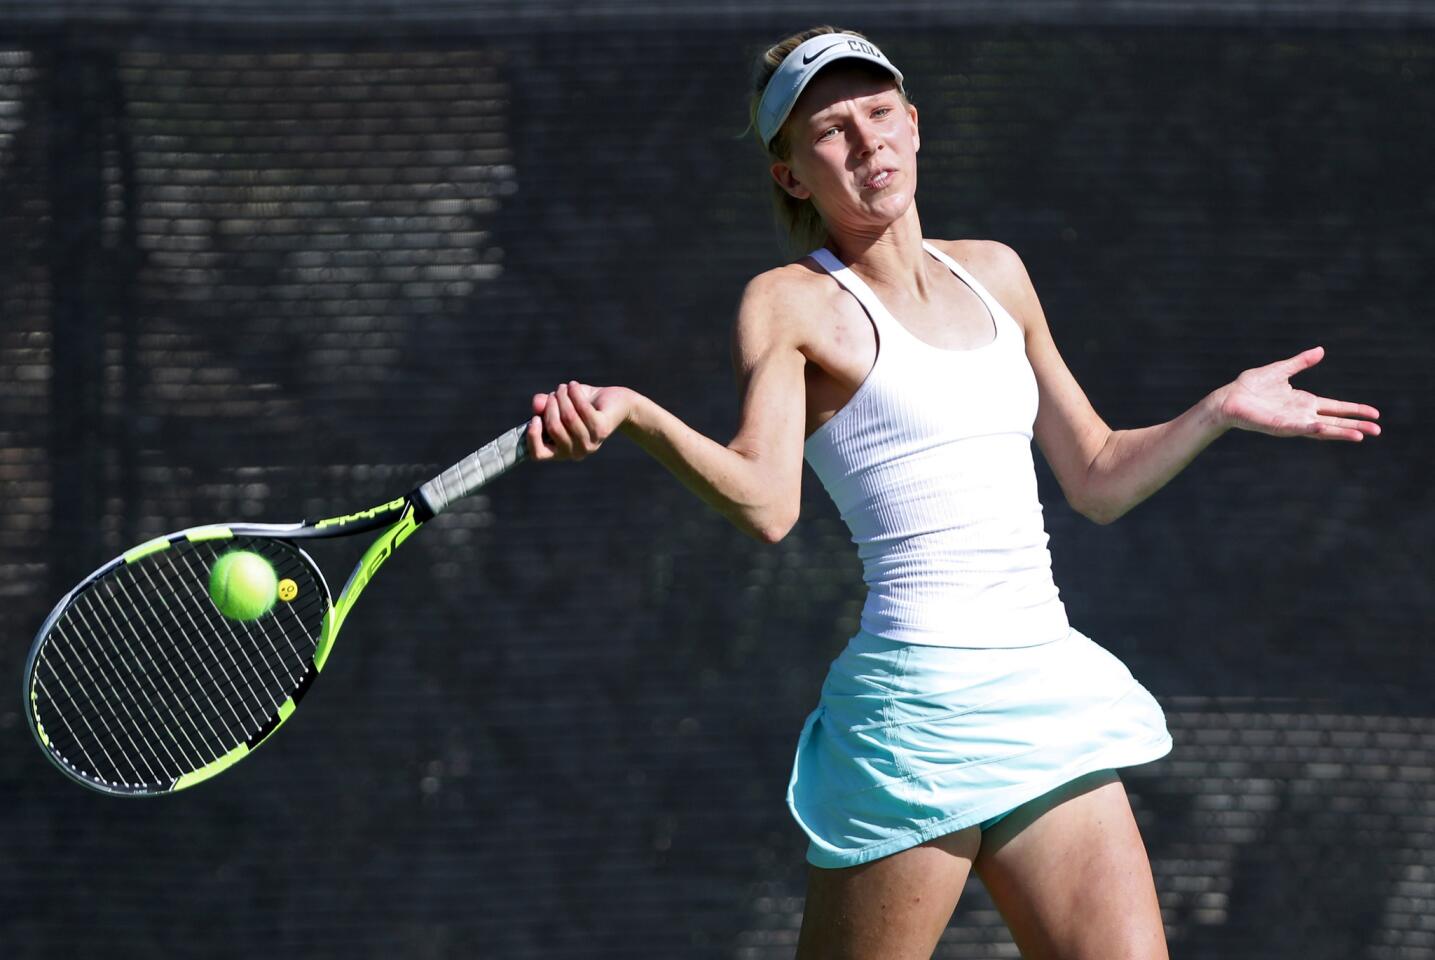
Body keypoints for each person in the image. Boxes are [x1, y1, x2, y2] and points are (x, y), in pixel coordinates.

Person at [523, 26, 1381, 960]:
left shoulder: (998, 273)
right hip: (917, 713)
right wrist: (641, 417)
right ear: (792, 178)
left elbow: (1094, 474)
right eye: (831, 132)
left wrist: (1216, 410)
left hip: (1047, 689)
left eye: (880, 114)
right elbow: (766, 503)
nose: (867, 143)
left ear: (916, 125)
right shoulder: (789, 303)